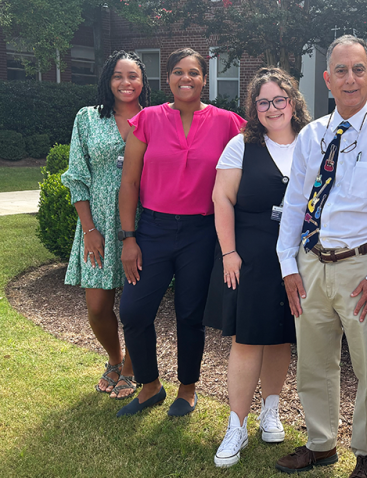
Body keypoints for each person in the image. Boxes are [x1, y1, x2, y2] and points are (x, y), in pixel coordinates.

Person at [274, 35, 367, 478]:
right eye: (341, 70)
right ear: (327, 79)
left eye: (358, 69)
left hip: (363, 268)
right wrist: (288, 264)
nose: (350, 78)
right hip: (311, 263)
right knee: (314, 362)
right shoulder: (312, 136)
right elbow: (295, 203)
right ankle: (320, 443)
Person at [116, 48, 246, 418]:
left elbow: (255, 162)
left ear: (204, 79)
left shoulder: (227, 123)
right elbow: (128, 183)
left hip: (202, 233)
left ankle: (187, 390)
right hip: (153, 230)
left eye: (193, 72)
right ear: (168, 78)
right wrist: (129, 237)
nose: (185, 78)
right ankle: (150, 386)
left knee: (190, 314)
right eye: (177, 72)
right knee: (134, 311)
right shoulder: (148, 119)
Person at [204, 67, 311, 467]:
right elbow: (222, 200)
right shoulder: (240, 146)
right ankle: (237, 425)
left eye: (279, 100)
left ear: (292, 101)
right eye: (263, 102)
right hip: (248, 254)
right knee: (247, 338)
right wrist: (229, 253)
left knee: (281, 336)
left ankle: (271, 411)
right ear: (255, 107)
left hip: (298, 258)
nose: (272, 108)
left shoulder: (311, 142)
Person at [62, 50, 150, 400]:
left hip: (141, 222)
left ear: (143, 82)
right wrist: (89, 229)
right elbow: (77, 175)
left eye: (133, 76)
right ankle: (114, 360)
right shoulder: (87, 118)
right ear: (107, 80)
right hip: (96, 221)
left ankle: (131, 368)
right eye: (118, 75)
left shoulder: (153, 119)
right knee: (97, 306)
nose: (125, 83)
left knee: (135, 305)